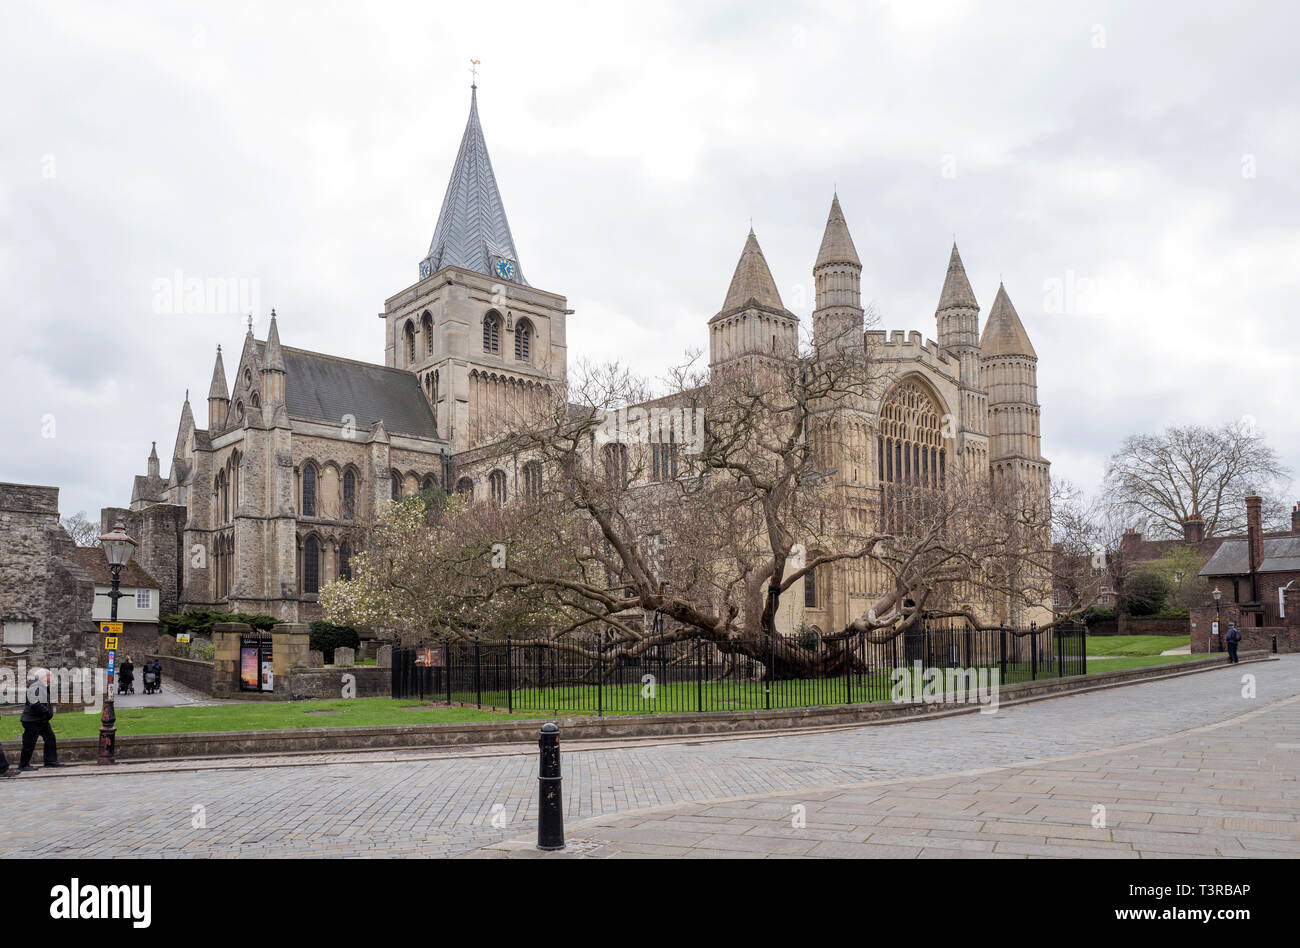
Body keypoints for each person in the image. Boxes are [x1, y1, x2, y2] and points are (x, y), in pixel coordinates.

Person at [19, 668, 63, 770]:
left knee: (50, 738)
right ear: (44, 677)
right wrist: (46, 711)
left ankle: (50, 761)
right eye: (49, 676)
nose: (52, 678)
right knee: (29, 743)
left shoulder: (42, 685)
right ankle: (23, 765)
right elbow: (34, 703)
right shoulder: (35, 686)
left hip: (41, 720)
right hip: (32, 720)